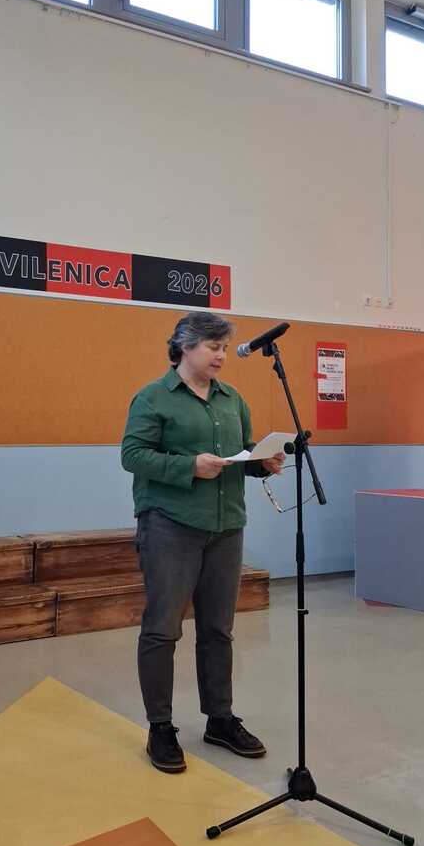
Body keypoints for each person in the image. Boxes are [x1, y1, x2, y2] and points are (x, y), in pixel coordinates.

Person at [121, 311, 284, 774]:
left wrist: (260, 464)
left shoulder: (232, 400)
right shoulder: (153, 398)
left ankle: (220, 719)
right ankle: (160, 727)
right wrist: (188, 466)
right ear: (185, 347)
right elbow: (133, 455)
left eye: (224, 347)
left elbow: (240, 453)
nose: (221, 355)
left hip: (225, 528)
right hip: (170, 526)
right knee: (162, 630)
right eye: (213, 346)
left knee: (218, 630)